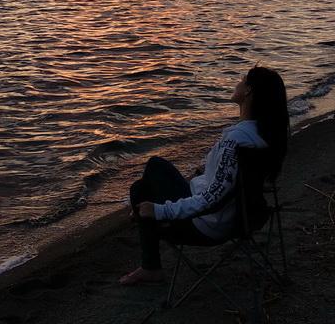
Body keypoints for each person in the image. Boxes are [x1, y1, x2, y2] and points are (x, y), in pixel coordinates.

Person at [119, 65, 289, 285]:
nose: (238, 81)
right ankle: (148, 256)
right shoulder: (265, 136)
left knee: (149, 174)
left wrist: (160, 210)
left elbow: (212, 200)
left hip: (207, 225)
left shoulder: (237, 141)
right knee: (143, 187)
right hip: (241, 217)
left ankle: (151, 265)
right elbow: (229, 182)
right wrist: (207, 171)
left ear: (248, 91)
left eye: (243, 78)